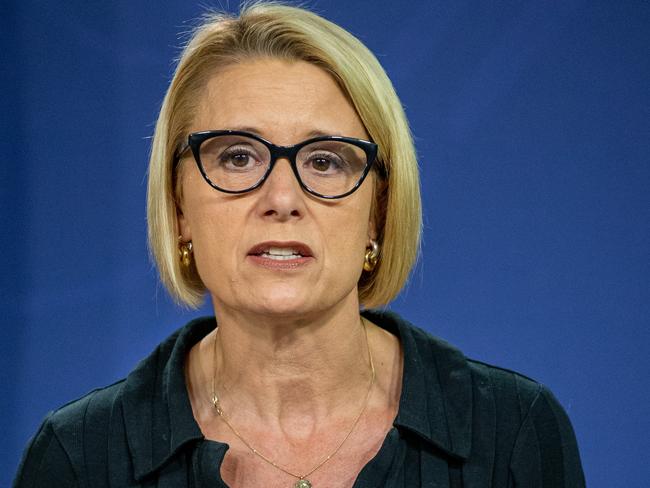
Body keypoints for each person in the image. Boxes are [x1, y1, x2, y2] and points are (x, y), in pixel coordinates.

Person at [14, 3, 585, 487]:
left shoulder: (512, 431)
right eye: (237, 157)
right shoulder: (81, 457)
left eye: (325, 161)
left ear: (377, 214)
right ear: (179, 206)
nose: (281, 198)